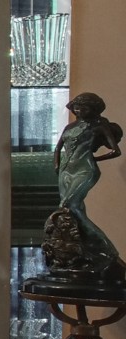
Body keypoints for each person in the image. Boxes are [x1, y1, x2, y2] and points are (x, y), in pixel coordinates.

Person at [53, 91, 124, 276]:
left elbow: (116, 151)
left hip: (85, 170)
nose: (79, 109)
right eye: (77, 106)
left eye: (84, 106)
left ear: (94, 109)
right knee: (76, 211)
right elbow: (58, 147)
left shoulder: (98, 126)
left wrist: (94, 160)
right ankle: (85, 252)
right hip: (66, 171)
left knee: (69, 206)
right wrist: (57, 164)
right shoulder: (70, 126)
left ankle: (108, 251)